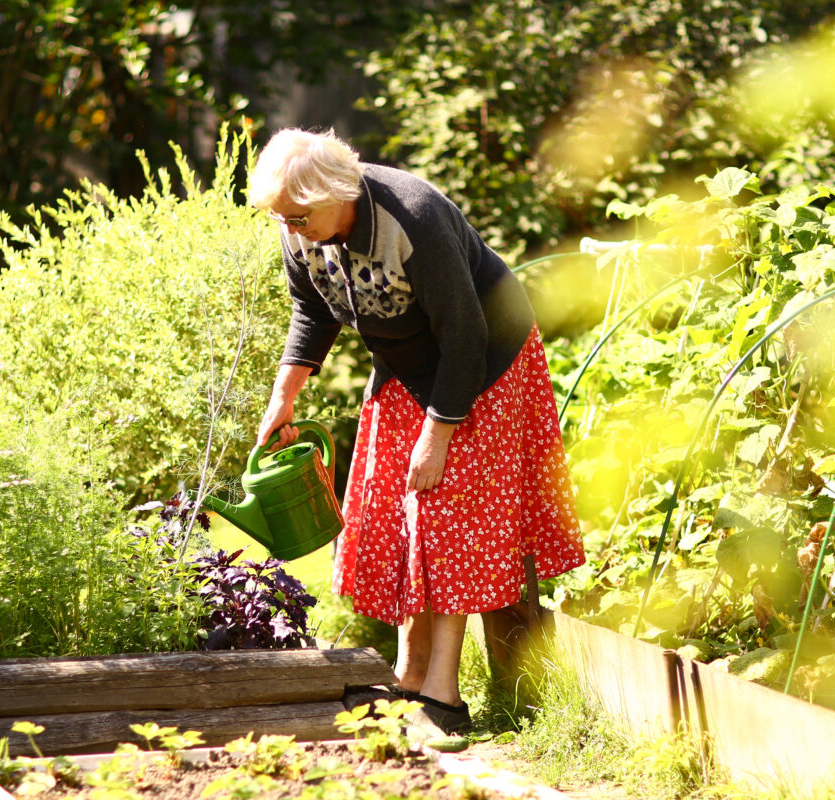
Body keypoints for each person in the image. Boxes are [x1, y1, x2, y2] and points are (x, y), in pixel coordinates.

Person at [246, 128, 585, 740]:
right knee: (394, 504)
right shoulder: (302, 225)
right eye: (282, 220)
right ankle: (407, 674)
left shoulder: (414, 218)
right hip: (406, 362)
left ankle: (444, 697)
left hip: (483, 363)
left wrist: (438, 434)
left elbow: (464, 338)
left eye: (298, 218)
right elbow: (312, 309)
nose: (291, 231)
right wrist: (283, 398)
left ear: (336, 191)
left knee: (444, 507)